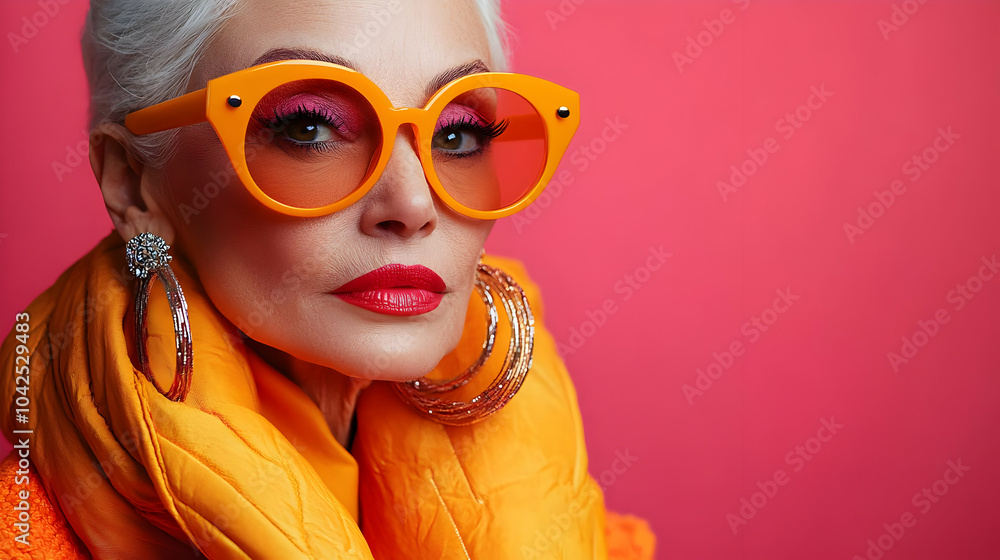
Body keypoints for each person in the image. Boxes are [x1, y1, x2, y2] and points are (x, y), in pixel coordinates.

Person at [0, 0, 655, 557]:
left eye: (458, 134)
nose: (414, 205)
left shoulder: (588, 532)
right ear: (133, 182)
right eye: (308, 127)